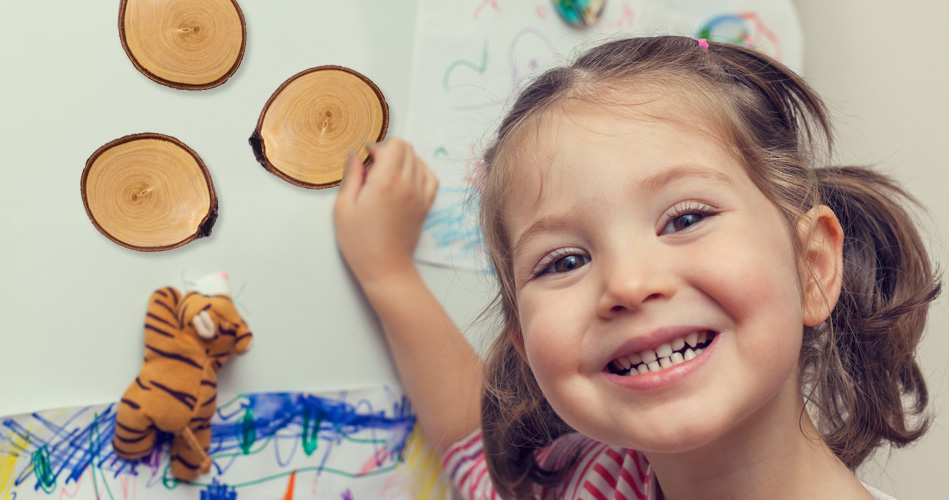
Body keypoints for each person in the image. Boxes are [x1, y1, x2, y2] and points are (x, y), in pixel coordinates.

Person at [333, 36, 939, 500]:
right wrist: (387, 272)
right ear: (525, 345)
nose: (626, 283)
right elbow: (477, 452)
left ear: (811, 267)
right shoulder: (601, 480)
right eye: (564, 261)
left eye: (684, 219)